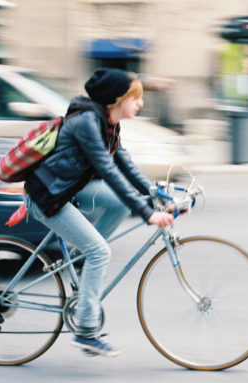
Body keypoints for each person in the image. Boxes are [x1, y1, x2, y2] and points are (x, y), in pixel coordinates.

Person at [22, 68, 174, 357]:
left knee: (116, 204)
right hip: (48, 196)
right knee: (100, 252)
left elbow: (124, 163)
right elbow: (107, 169)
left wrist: (155, 192)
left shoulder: (108, 123)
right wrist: (146, 212)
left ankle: (81, 261)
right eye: (135, 97)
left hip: (67, 188)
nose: (140, 103)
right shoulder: (87, 122)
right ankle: (86, 331)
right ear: (117, 99)